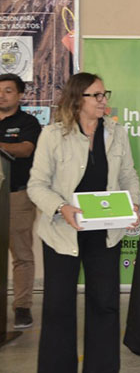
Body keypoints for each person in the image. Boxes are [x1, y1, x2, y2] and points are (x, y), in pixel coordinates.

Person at [27, 72, 140, 373]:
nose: (104, 101)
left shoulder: (118, 133)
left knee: (105, 304)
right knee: (58, 307)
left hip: (105, 233)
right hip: (63, 232)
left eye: (105, 95)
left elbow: (129, 175)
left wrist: (134, 205)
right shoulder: (53, 135)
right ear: (78, 100)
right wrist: (61, 207)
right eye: (97, 95)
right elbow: (36, 185)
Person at [0, 73, 42, 329]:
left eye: (8, 90)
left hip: (17, 196)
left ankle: (22, 307)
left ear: (19, 95)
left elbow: (26, 149)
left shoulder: (28, 122)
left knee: (21, 254)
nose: (2, 95)